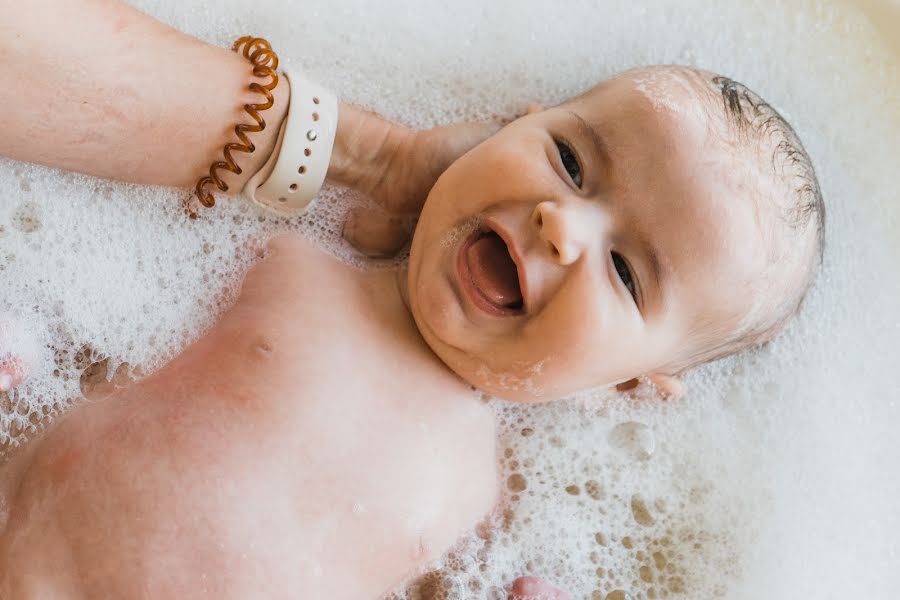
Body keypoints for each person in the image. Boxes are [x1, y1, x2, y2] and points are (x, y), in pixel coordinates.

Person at [0, 0, 823, 598]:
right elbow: (120, 357)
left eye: (627, 273)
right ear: (508, 124)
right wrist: (34, 358)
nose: (562, 223)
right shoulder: (290, 263)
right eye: (571, 162)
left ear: (629, 386)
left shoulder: (487, 496)